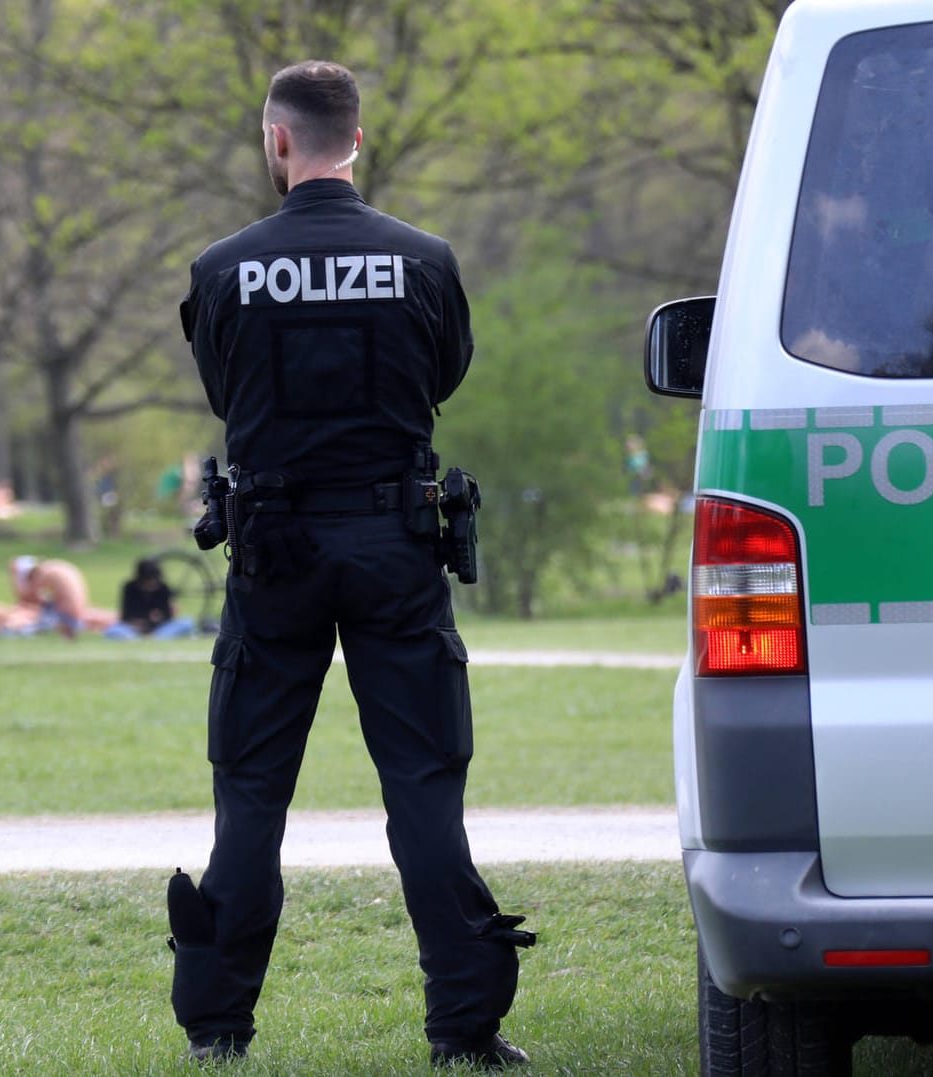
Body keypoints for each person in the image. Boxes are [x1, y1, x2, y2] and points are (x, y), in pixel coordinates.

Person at [167, 62, 533, 1069]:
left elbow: (221, 388)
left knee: (252, 795)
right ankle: (464, 1026)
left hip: (274, 551)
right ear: (356, 141)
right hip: (394, 547)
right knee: (421, 788)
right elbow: (444, 374)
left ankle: (218, 1025)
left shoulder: (217, 269)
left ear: (276, 142)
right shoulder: (425, 259)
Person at [8, 555, 117, 638]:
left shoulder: (42, 573)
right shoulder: (53, 567)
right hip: (76, 609)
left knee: (25, 615)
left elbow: (28, 600)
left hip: (68, 615)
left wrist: (14, 576)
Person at [104, 558, 194, 640]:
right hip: (133, 628)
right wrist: (138, 621)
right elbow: (126, 613)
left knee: (187, 623)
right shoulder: (130, 588)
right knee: (113, 630)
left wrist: (159, 617)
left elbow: (168, 613)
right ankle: (136, 638)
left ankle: (152, 638)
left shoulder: (163, 588)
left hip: (159, 629)